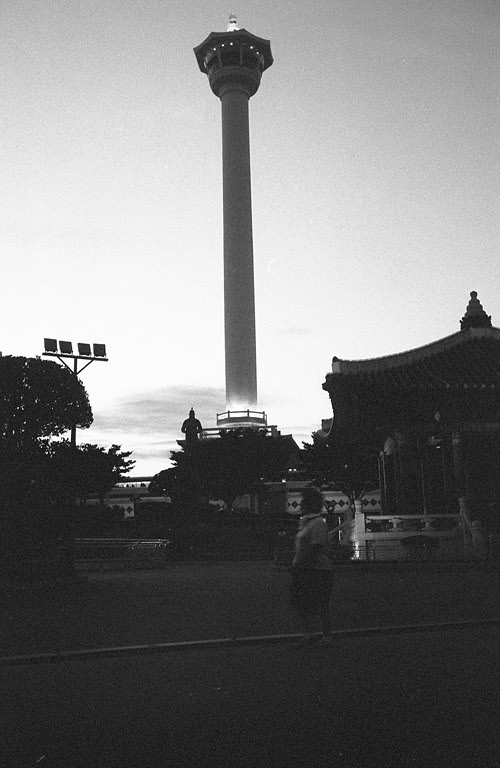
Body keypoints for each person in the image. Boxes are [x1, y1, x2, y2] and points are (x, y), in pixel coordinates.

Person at [290, 486, 333, 646]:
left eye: (303, 503)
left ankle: (326, 636)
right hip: (305, 569)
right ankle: (309, 634)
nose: (300, 506)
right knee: (302, 603)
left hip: (318, 570)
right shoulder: (307, 522)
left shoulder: (318, 523)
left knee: (321, 603)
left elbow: (316, 547)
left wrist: (299, 562)